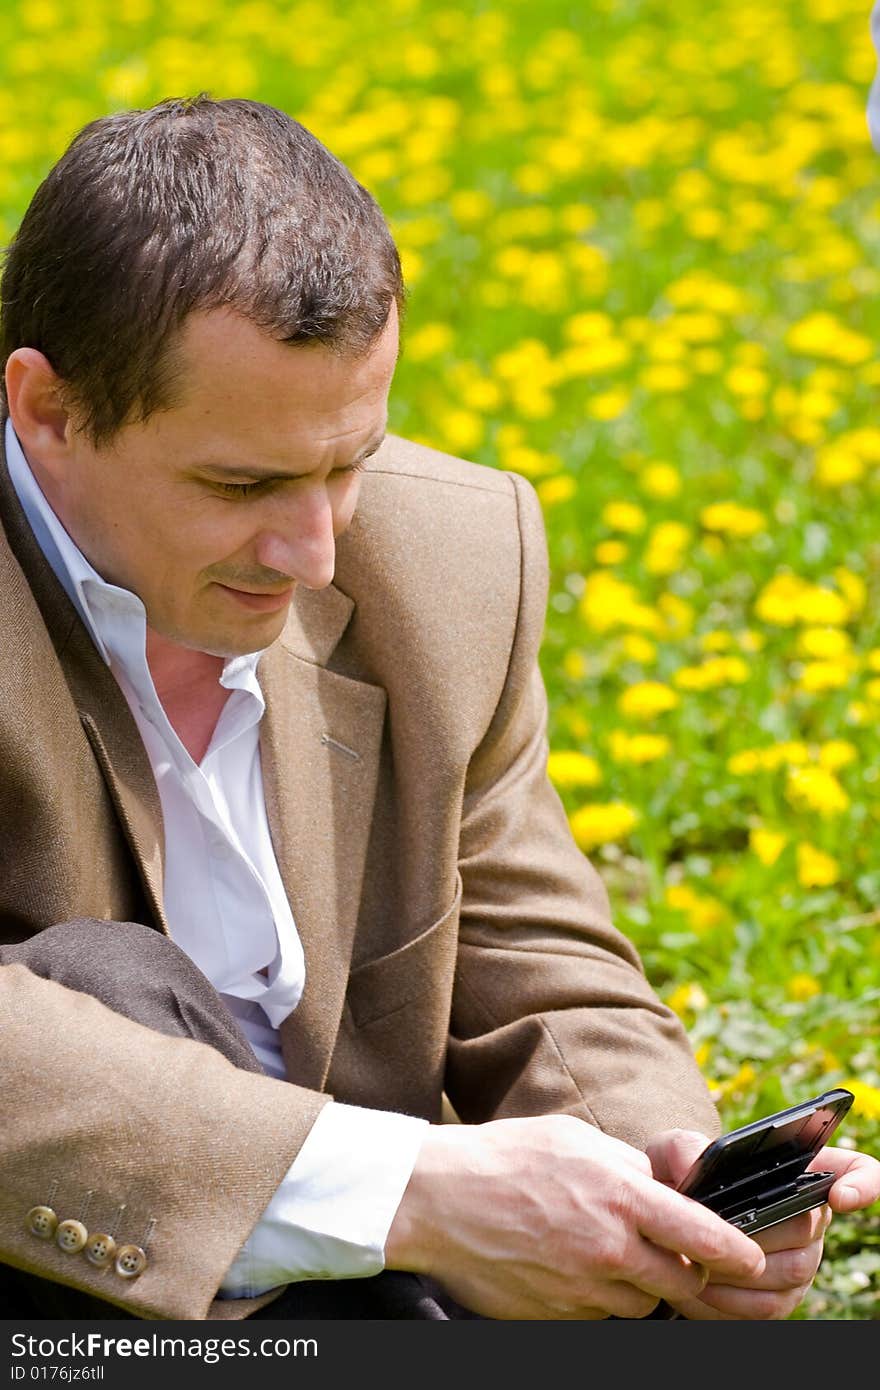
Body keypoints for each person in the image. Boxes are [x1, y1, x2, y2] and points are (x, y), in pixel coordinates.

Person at [0, 94, 877, 1324]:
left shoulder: (448, 559)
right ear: (46, 410)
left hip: (382, 1298)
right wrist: (405, 1191)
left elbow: (543, 967)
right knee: (105, 980)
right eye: (240, 482)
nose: (313, 550)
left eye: (347, 462)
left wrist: (666, 1198)